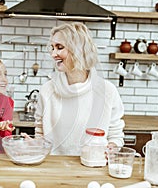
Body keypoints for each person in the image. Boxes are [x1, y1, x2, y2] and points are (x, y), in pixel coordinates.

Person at [34, 22, 125, 156]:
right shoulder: (47, 90)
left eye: (59, 47)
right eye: (52, 48)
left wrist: (111, 148)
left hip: (93, 164)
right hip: (53, 168)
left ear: (78, 49)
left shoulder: (107, 91)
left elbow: (115, 134)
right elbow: (40, 132)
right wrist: (35, 144)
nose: (53, 54)